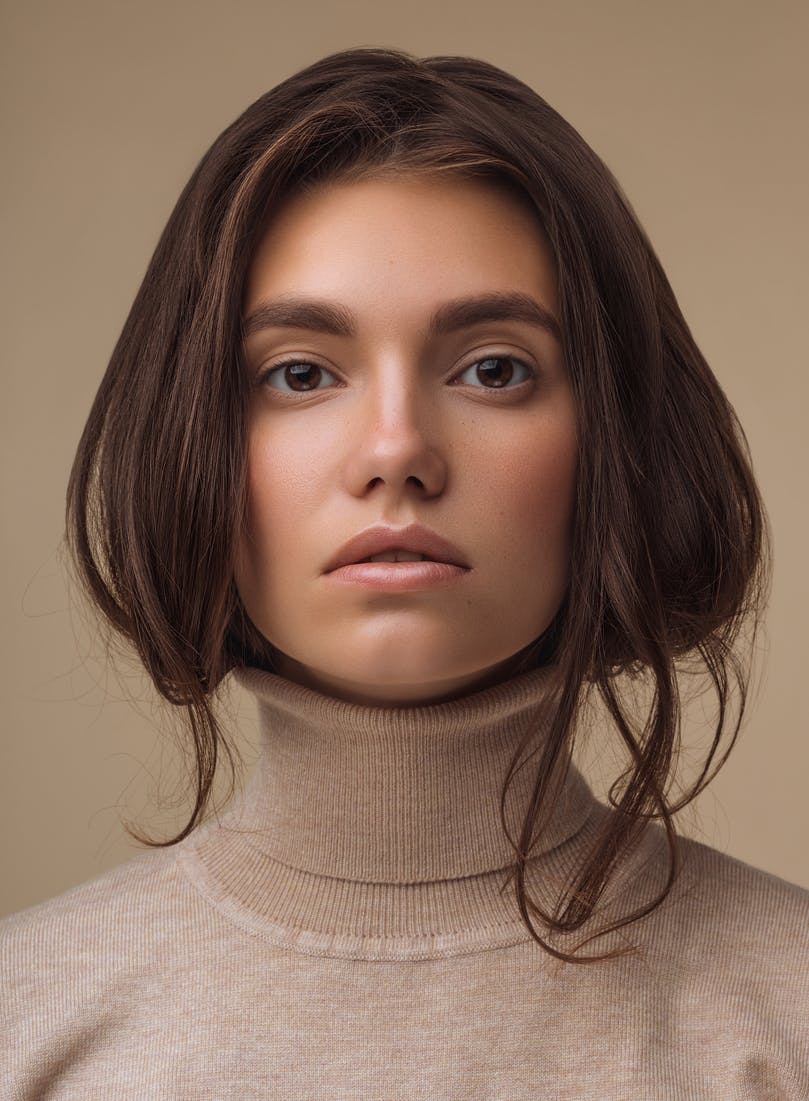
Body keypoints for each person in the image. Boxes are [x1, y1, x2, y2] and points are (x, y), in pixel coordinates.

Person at [2, 45, 807, 1098]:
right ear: (191, 441)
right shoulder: (29, 1018)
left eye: (492, 369)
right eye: (299, 374)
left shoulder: (784, 1015)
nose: (395, 451)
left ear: (618, 444)